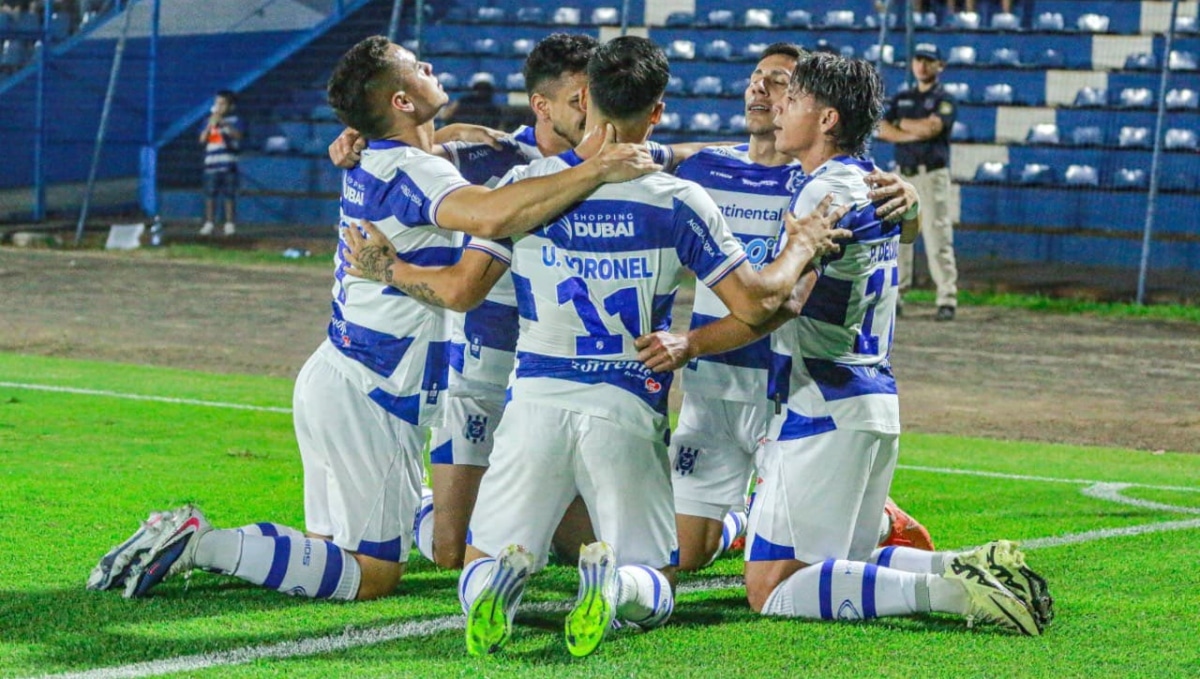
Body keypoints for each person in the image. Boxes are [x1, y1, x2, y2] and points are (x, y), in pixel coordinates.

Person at [87, 35, 659, 603]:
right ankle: (200, 543)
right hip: (372, 393)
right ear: (401, 102)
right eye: (416, 68)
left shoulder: (394, 158)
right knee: (372, 575)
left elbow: (464, 153)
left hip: (341, 377)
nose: (429, 66)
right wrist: (596, 169)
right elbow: (488, 217)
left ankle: (201, 541)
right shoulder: (412, 171)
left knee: (327, 553)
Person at [341, 36, 853, 656]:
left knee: (477, 559)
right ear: (657, 111)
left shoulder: (525, 188)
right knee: (657, 580)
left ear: (585, 99)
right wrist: (801, 247)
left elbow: (462, 290)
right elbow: (754, 305)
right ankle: (615, 588)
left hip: (534, 403)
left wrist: (390, 268)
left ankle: (494, 586)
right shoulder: (678, 199)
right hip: (626, 404)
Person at [638, 51, 1052, 635]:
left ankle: (957, 592)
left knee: (771, 589)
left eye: (792, 97)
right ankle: (963, 566)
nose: (779, 107)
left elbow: (778, 304)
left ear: (827, 118)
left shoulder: (822, 193)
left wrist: (691, 341)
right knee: (843, 564)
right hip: (867, 397)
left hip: (821, 402)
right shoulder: (868, 181)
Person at [326, 32, 722, 572]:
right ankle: (419, 507)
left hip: (547, 378)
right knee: (450, 550)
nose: (591, 107)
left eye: (592, 94)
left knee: (579, 549)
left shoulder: (626, 158)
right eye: (578, 98)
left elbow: (697, 154)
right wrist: (358, 137)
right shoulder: (496, 158)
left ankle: (720, 524)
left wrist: (763, 150)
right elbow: (416, 152)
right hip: (481, 369)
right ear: (542, 105)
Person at [662, 42, 931, 572]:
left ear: (820, 112)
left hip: (784, 386)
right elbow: (635, 156)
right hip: (716, 384)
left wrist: (913, 203)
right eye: (756, 76)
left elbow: (786, 299)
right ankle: (748, 519)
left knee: (779, 569)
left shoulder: (817, 183)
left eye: (781, 83)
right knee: (685, 552)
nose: (763, 90)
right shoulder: (708, 167)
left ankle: (869, 521)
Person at [877, 43, 959, 321]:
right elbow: (881, 128)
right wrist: (913, 132)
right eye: (918, 60)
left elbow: (933, 127)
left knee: (938, 236)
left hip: (931, 174)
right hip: (903, 174)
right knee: (900, 237)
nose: (922, 65)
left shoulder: (945, 98)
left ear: (939, 66)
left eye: (928, 60)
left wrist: (902, 125)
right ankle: (896, 295)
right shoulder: (903, 97)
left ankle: (946, 298)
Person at [198, 90, 243, 236]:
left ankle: (229, 223)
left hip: (228, 163)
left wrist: (224, 124)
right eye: (217, 103)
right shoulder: (208, 120)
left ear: (230, 106)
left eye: (222, 104)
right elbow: (202, 140)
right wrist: (209, 126)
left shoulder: (235, 120)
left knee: (229, 194)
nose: (219, 107)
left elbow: (238, 136)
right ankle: (209, 223)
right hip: (212, 164)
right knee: (210, 193)